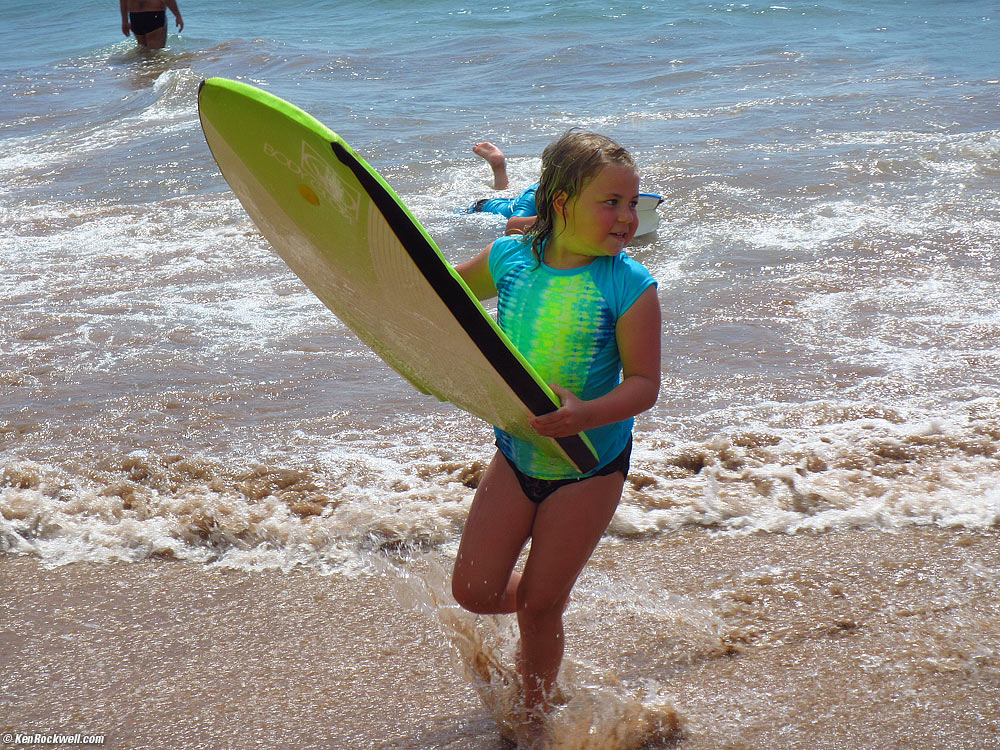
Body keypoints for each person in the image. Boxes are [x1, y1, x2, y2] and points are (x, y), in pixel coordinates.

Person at [451, 131, 661, 740]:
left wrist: (583, 415)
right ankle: (548, 594)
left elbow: (644, 385)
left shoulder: (629, 285)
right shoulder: (509, 260)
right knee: (475, 590)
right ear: (560, 200)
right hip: (516, 455)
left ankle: (531, 722)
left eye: (632, 202)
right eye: (611, 202)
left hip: (588, 464)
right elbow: (444, 299)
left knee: (541, 609)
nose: (628, 216)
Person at [468, 142, 540, 237]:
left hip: (508, 204)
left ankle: (499, 168)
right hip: (481, 209)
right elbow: (512, 227)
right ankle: (498, 168)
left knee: (505, 195)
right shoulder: (534, 195)